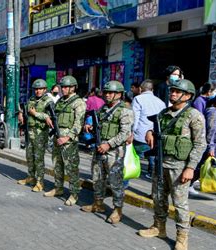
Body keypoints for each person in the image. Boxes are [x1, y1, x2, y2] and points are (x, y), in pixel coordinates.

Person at [138, 80, 206, 250]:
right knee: (159, 198)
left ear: (188, 96)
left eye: (177, 91)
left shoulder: (194, 116)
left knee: (180, 203)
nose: (173, 94)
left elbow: (200, 144)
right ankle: (158, 227)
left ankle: (182, 236)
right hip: (161, 163)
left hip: (179, 166)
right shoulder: (163, 113)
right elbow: (155, 130)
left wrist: (190, 168)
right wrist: (149, 132)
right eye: (172, 91)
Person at [81, 81, 134, 224]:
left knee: (115, 182)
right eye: (106, 92)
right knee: (97, 178)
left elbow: (125, 133)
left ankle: (118, 210)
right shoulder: (104, 108)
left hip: (114, 152)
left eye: (111, 92)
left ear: (119, 94)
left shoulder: (125, 110)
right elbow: (99, 124)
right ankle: (98, 204)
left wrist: (108, 144)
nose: (107, 95)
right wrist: (90, 126)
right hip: (99, 147)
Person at [44, 75, 86, 206]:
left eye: (67, 87)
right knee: (57, 165)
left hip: (69, 141)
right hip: (57, 137)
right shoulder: (60, 101)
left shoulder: (78, 102)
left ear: (73, 87)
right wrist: (49, 118)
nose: (64, 89)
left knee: (71, 168)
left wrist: (67, 137)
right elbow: (53, 114)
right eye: (63, 87)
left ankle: (74, 194)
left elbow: (78, 124)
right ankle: (58, 188)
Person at [17, 79, 54, 192]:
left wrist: (35, 114)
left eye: (40, 89)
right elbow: (24, 109)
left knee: (38, 159)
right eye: (36, 89)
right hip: (30, 132)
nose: (38, 91)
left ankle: (40, 182)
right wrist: (21, 113)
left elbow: (51, 117)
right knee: (29, 156)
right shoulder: (31, 99)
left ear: (44, 89)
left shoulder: (48, 101)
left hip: (40, 133)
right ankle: (31, 177)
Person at [131, 80, 166, 178]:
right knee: (152, 156)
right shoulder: (161, 102)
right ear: (152, 90)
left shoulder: (138, 99)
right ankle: (152, 172)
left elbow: (135, 118)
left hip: (140, 135)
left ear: (141, 89)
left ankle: (129, 176)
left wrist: (131, 133)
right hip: (154, 135)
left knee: (132, 156)